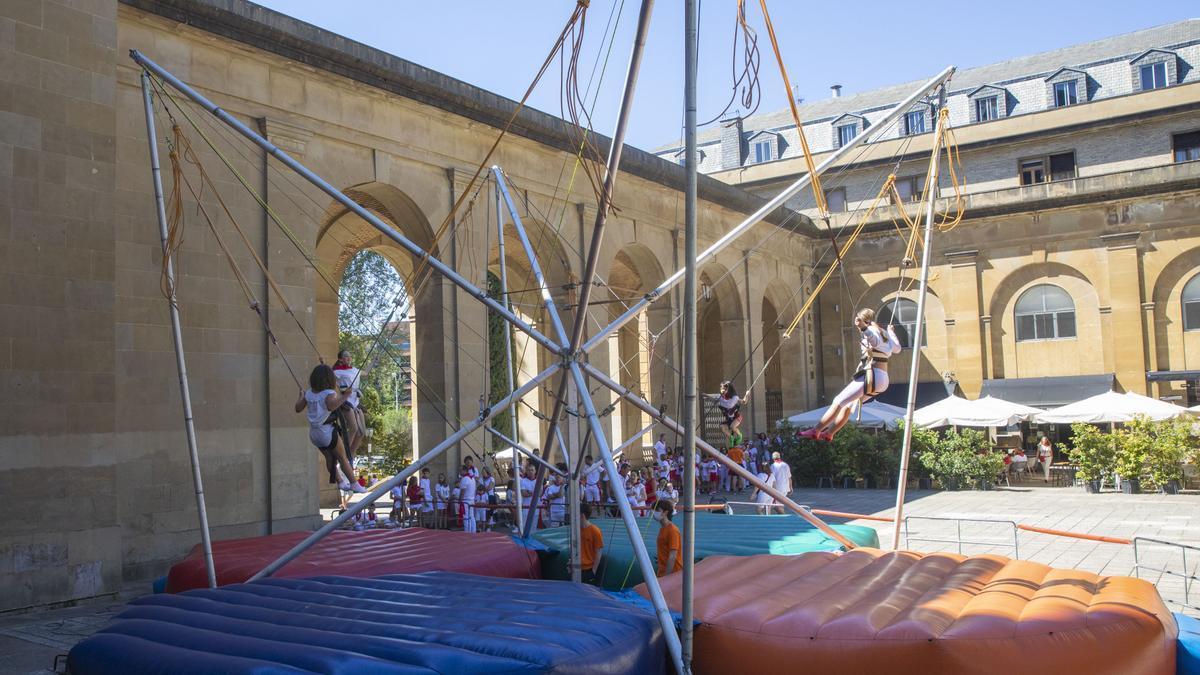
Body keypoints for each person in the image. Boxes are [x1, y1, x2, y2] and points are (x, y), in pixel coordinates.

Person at [799, 309, 901, 441]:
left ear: (864, 320)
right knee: (848, 405)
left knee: (838, 401)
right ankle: (830, 433)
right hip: (883, 379)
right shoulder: (885, 333)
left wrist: (864, 328)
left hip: (872, 376)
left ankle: (816, 430)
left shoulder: (871, 330)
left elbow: (873, 340)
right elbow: (897, 348)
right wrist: (891, 332)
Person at [294, 365, 366, 494]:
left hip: (314, 434)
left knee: (329, 458)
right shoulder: (329, 393)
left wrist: (301, 396)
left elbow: (298, 408)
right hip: (326, 432)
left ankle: (340, 482)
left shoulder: (309, 393)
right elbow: (331, 406)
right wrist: (345, 396)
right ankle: (354, 483)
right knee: (342, 458)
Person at [332, 349, 366, 461]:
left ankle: (350, 455)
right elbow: (331, 379)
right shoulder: (337, 372)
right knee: (354, 428)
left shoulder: (355, 370)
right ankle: (342, 451)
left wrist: (374, 361)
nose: (349, 358)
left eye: (350, 356)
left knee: (361, 432)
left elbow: (366, 373)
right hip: (346, 401)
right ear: (341, 359)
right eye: (346, 356)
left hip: (356, 401)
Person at [704, 381, 748, 448]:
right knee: (722, 427)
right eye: (722, 389)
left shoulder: (733, 398)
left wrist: (747, 394)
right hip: (728, 418)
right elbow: (713, 399)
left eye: (725, 389)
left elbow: (744, 402)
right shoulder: (721, 398)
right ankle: (731, 438)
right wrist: (705, 395)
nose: (723, 390)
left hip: (736, 417)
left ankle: (739, 436)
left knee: (733, 427)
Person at [653, 500, 682, 577]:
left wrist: (666, 577)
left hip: (673, 573)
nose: (654, 512)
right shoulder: (663, 529)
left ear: (665, 512)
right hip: (662, 571)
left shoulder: (672, 530)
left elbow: (673, 555)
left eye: (657, 510)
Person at [579, 504, 604, 586]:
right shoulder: (576, 530)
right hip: (576, 568)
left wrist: (593, 571)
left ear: (582, 516)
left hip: (587, 570)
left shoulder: (595, 531)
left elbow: (598, 552)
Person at [458, 465, 477, 533]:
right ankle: (473, 531)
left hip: (466, 501)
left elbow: (462, 491)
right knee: (472, 517)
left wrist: (460, 500)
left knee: (466, 517)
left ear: (465, 470)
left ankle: (467, 532)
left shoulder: (464, 479)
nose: (459, 472)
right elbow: (474, 490)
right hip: (471, 500)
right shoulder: (472, 478)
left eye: (461, 470)